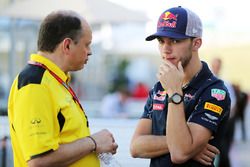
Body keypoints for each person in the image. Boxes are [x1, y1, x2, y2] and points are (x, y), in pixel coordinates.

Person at [8, 10, 118, 167]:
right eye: (86, 44)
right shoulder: (35, 84)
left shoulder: (53, 80)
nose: (90, 52)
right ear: (67, 45)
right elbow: (39, 161)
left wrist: (92, 146)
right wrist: (93, 142)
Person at [130, 6, 231, 167]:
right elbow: (135, 147)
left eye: (175, 41)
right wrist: (186, 144)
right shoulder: (159, 88)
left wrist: (174, 92)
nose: (165, 49)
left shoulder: (214, 91)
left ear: (196, 43)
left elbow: (179, 153)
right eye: (161, 41)